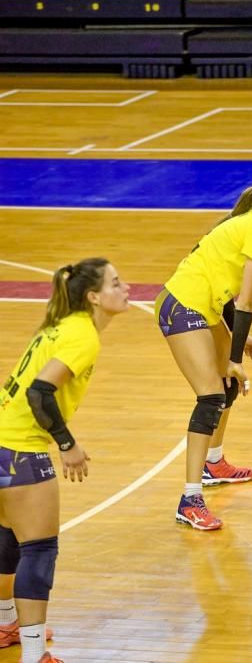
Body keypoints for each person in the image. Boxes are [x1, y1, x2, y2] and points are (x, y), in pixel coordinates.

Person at [155, 164, 252, 530]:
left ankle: (213, 463)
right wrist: (234, 356)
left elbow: (223, 284)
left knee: (227, 386)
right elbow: (245, 302)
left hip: (204, 304)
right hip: (182, 305)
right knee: (211, 395)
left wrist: (238, 347)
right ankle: (190, 500)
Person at [0, 258, 130, 663]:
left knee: (7, 539)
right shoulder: (82, 335)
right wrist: (67, 443)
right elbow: (40, 392)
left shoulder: (62, 325)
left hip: (2, 437)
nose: (125, 288)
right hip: (22, 448)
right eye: (115, 282)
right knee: (39, 549)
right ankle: (36, 654)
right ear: (94, 296)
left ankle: (6, 624)